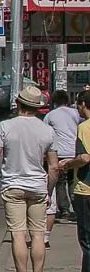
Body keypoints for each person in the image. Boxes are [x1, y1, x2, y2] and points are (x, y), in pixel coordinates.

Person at [0, 84, 61, 272]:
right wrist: (49, 192)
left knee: (18, 234)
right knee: (37, 234)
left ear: (18, 104)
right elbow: (53, 167)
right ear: (37, 108)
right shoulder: (47, 130)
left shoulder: (5, 127)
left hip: (13, 187)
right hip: (38, 188)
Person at [57, 90, 90, 272]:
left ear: (83, 105)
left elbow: (85, 158)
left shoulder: (85, 127)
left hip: (86, 189)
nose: (77, 109)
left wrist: (68, 164)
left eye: (78, 105)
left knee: (87, 238)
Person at [44, 88, 81, 236]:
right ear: (68, 100)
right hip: (75, 152)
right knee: (73, 180)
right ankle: (76, 210)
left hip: (58, 153)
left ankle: (64, 210)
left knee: (59, 181)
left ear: (54, 102)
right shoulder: (76, 113)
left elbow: (46, 134)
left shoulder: (50, 115)